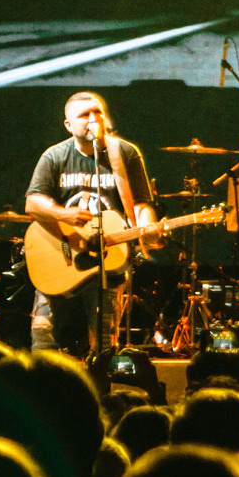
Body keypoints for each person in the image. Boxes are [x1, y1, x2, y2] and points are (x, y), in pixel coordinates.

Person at [24, 92, 159, 356]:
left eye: (97, 112)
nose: (92, 118)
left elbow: (141, 204)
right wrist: (64, 216)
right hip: (59, 259)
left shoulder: (125, 153)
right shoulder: (54, 156)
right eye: (84, 115)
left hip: (110, 265)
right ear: (68, 125)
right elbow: (33, 203)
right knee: (44, 338)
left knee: (104, 347)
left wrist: (147, 226)